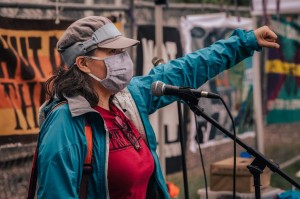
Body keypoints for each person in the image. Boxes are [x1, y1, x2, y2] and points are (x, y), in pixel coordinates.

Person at [36, 16, 279, 199]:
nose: (123, 58)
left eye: (122, 51)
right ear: (84, 63)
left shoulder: (127, 99)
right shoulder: (65, 125)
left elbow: (186, 69)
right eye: (113, 52)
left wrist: (245, 42)